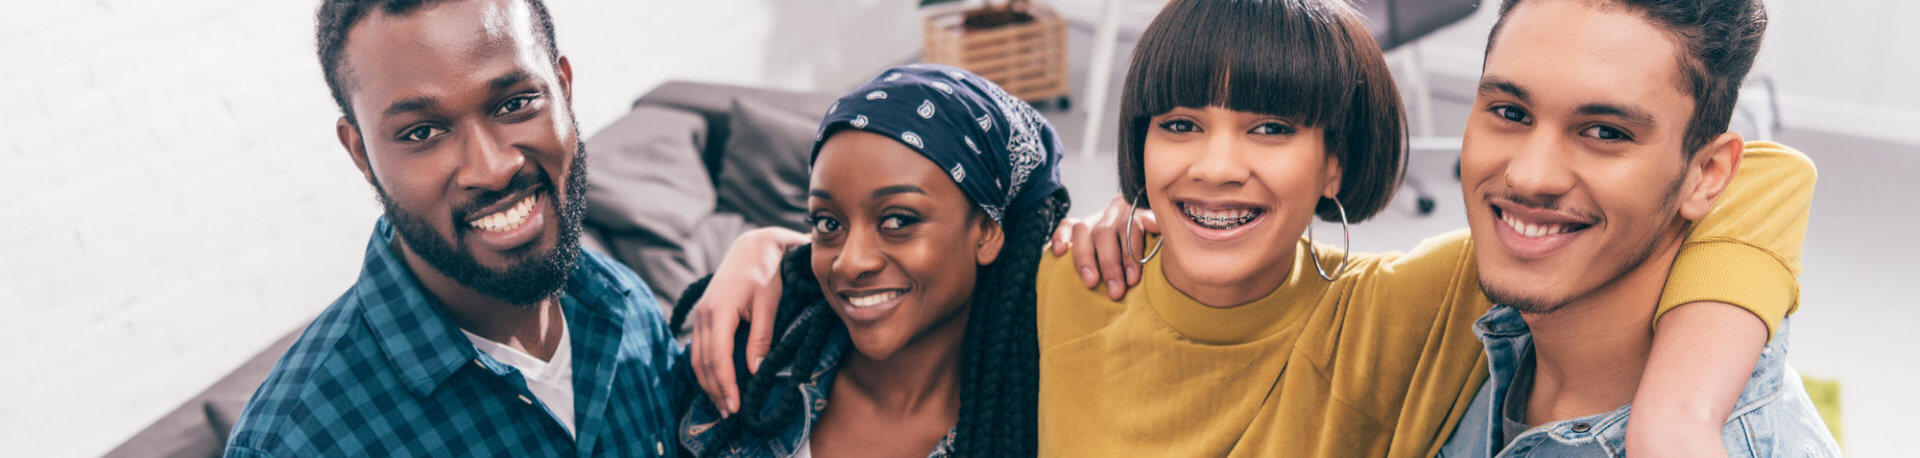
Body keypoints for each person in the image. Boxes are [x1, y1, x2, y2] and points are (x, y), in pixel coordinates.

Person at [689, 0, 1811, 455]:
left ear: (1334, 157)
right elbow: (905, 252)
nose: (1215, 163)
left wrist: (1675, 418)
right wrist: (771, 251)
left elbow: (1760, 171)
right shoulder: (1074, 279)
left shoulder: (1413, 308)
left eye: (1271, 126)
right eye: (1180, 121)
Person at [225, 0, 685, 456]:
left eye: (516, 103)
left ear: (563, 89)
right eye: (422, 132)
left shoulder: (625, 303)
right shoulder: (295, 443)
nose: (492, 169)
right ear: (361, 153)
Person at [1431, 0, 1840, 455]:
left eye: (1605, 132)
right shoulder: (1454, 313)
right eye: (1511, 112)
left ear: (1706, 173)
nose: (1529, 176)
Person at [674, 64, 1068, 457]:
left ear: (985, 230)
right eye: (829, 222)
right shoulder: (747, 366)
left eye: (897, 220)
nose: (850, 262)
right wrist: (761, 243)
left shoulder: (1043, 423)